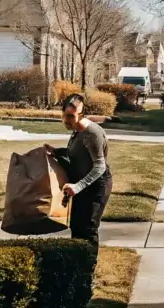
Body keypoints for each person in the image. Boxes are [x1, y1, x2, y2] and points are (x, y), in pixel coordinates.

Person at [43, 94, 112, 246]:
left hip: (96, 185)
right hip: (81, 184)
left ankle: (88, 267)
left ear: (81, 116)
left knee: (88, 228)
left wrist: (78, 186)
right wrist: (57, 152)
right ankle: (78, 264)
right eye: (64, 116)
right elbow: (76, 153)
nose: (67, 120)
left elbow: (99, 166)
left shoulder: (92, 133)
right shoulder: (77, 130)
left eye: (71, 116)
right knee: (76, 226)